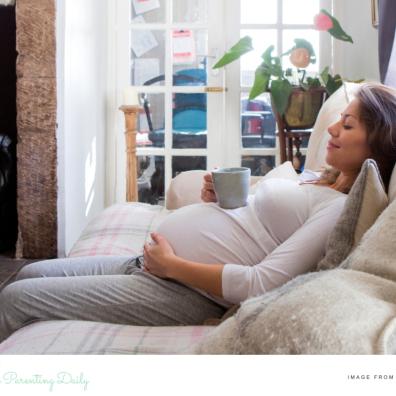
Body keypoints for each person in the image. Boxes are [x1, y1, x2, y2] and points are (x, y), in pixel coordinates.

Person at [0, 83, 395, 343]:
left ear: (376, 140)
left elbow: (263, 282)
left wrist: (174, 266)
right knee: (30, 272)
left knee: (18, 299)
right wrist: (218, 201)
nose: (332, 131)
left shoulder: (339, 209)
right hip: (154, 265)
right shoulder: (317, 179)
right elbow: (255, 229)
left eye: (347, 125)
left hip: (185, 289)